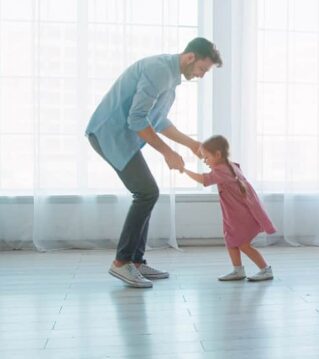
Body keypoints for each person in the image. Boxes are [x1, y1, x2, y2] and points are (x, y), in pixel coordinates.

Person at [86, 38, 222, 288]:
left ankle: (136, 262)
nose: (202, 76)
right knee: (147, 192)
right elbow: (137, 119)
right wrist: (167, 152)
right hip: (108, 134)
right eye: (203, 69)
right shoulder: (159, 71)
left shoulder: (170, 78)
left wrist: (191, 144)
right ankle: (121, 263)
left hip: (121, 135)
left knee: (147, 193)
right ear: (190, 57)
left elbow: (158, 121)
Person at [184, 135, 276, 281]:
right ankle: (238, 270)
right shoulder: (228, 165)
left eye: (207, 157)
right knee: (231, 241)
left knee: (243, 245)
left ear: (218, 154)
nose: (205, 161)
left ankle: (266, 269)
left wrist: (184, 170)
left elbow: (204, 180)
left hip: (242, 216)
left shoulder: (222, 171)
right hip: (234, 215)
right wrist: (202, 150)